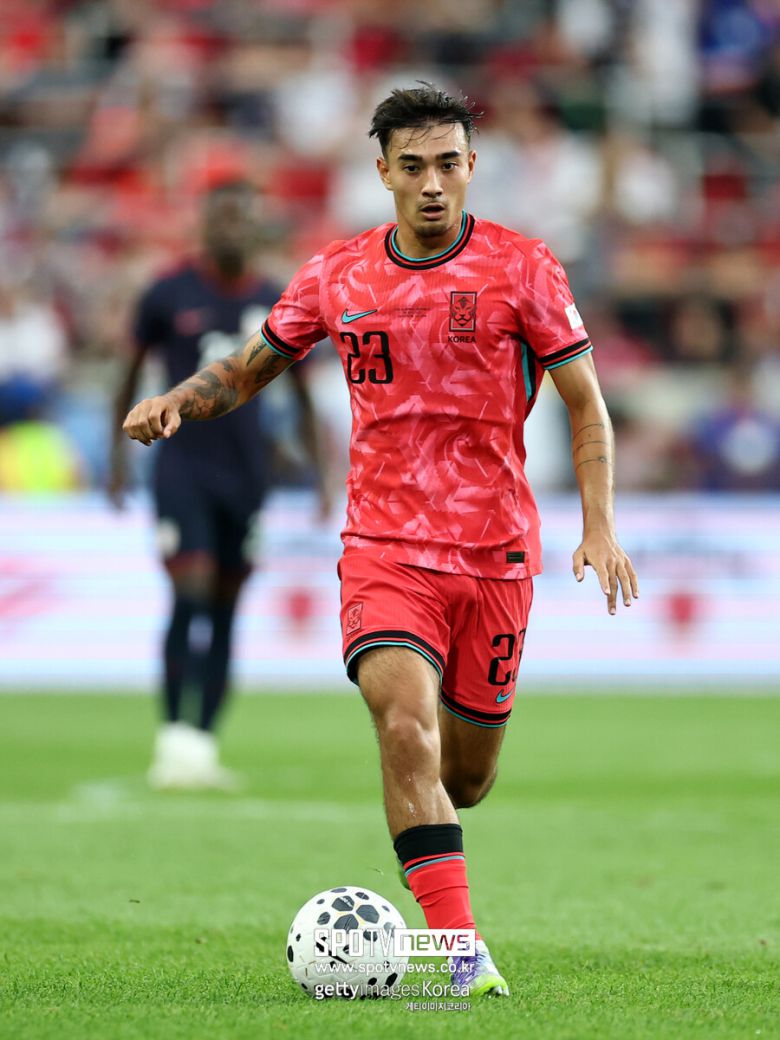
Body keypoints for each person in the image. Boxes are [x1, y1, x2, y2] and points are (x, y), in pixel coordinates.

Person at [123, 85, 638, 994]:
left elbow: (585, 403)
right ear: (383, 173)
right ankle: (460, 954)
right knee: (402, 722)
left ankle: (429, 846)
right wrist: (175, 401)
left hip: (496, 555)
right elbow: (247, 369)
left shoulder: (524, 268)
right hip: (384, 547)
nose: (432, 183)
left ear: (471, 166)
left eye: (448, 164)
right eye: (413, 166)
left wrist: (599, 525)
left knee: (464, 779)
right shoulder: (338, 274)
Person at [111, 178, 329, 791]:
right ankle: (172, 739)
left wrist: (320, 477)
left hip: (248, 475)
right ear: (205, 226)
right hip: (182, 468)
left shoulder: (274, 298)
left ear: (257, 228)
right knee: (191, 590)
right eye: (223, 218)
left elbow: (302, 395)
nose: (232, 229)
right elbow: (128, 377)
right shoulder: (168, 293)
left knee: (229, 607)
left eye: (242, 218)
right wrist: (117, 461)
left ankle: (202, 745)